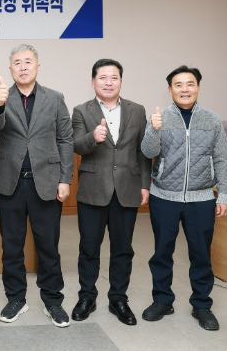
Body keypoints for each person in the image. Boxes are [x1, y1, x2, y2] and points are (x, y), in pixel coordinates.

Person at [0, 44, 73, 327]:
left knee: (48, 246)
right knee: (11, 245)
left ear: (37, 66)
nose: (22, 67)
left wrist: (65, 178)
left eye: (28, 62)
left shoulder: (55, 98)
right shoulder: (1, 96)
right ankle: (16, 299)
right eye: (17, 62)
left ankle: (53, 301)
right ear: (10, 68)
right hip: (10, 182)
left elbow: (65, 139)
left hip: (45, 182)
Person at [140, 65, 227, 331]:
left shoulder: (212, 120)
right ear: (170, 90)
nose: (184, 89)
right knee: (162, 253)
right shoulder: (159, 118)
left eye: (190, 84)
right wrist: (153, 129)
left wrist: (224, 194)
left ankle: (201, 305)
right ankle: (162, 300)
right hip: (164, 197)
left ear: (198, 88)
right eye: (178, 85)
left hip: (201, 198)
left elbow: (222, 158)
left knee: (201, 254)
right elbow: (148, 152)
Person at [71, 59, 151, 325]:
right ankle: (87, 297)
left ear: (121, 81)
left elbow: (142, 151)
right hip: (93, 190)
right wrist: (93, 137)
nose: (108, 82)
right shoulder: (81, 110)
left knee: (123, 249)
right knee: (89, 248)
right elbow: (76, 145)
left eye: (113, 77)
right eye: (102, 77)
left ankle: (118, 298)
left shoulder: (137, 110)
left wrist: (145, 184)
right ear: (93, 82)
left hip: (127, 188)